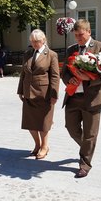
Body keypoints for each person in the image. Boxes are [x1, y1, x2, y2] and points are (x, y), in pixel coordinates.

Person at [61, 19, 101, 178]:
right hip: (73, 96)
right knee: (71, 128)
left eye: (80, 35)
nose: (78, 38)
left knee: (90, 134)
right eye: (75, 35)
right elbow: (64, 72)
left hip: (93, 98)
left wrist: (88, 78)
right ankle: (88, 149)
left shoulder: (100, 47)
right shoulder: (71, 49)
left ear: (89, 32)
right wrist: (70, 80)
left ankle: (84, 164)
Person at [17, 29, 60, 160]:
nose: (35, 44)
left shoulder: (51, 55)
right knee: (30, 122)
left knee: (43, 122)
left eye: (37, 41)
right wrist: (20, 90)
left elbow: (55, 76)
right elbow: (23, 73)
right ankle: (37, 145)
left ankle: (45, 146)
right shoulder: (28, 53)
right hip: (28, 93)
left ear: (44, 40)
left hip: (44, 94)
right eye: (33, 41)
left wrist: (54, 95)